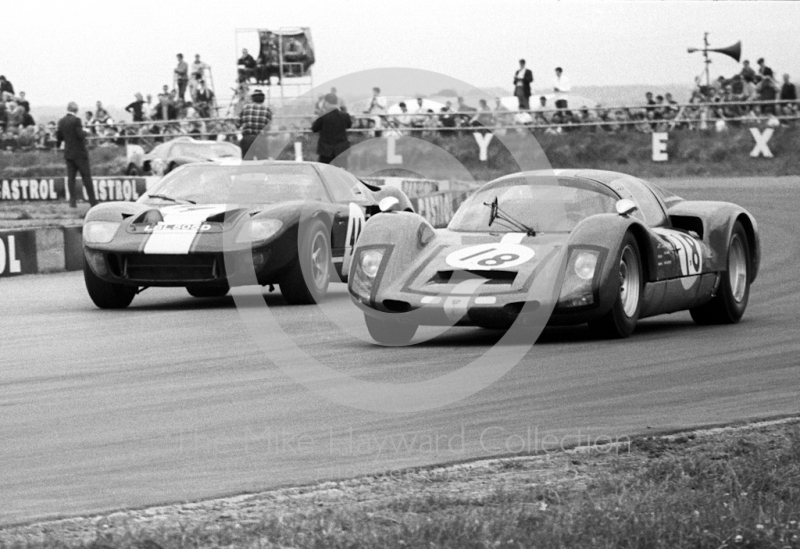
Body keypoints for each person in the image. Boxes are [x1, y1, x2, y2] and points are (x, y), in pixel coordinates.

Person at [56, 102, 97, 208]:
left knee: (71, 178)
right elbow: (79, 134)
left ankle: (72, 201)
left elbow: (59, 137)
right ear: (76, 110)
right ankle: (92, 201)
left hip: (68, 153)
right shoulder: (76, 120)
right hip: (79, 153)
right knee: (86, 178)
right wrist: (86, 132)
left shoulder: (61, 121)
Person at [311, 93, 351, 164]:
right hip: (341, 150)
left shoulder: (323, 116)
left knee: (325, 173)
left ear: (326, 103)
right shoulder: (345, 115)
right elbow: (349, 125)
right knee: (341, 173)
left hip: (326, 151)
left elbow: (314, 129)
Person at [237, 88, 272, 159]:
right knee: (263, 162)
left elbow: (238, 123)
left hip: (247, 138)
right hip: (261, 139)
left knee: (247, 163)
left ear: (253, 98)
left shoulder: (245, 107)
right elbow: (268, 126)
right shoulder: (267, 109)